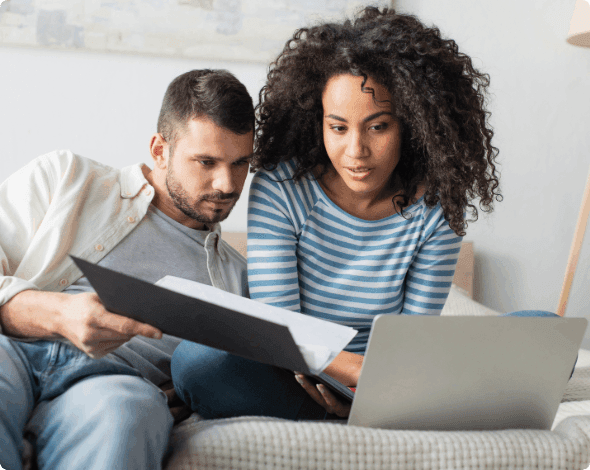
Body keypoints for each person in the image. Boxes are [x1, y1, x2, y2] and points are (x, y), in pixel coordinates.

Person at [170, 6, 505, 420]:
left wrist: (380, 389)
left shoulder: (437, 207)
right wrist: (355, 375)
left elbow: (410, 341)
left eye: (378, 126)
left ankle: (368, 413)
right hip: (297, 373)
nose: (356, 152)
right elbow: (281, 330)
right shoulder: (282, 187)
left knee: (539, 332)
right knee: (198, 361)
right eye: (339, 127)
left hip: (390, 377)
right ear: (318, 124)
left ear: (413, 126)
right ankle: (364, 412)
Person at [0, 69, 254, 469]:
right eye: (206, 162)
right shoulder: (65, 178)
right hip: (9, 347)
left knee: (129, 414)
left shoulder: (239, 280)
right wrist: (57, 314)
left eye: (241, 164)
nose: (226, 184)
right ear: (159, 150)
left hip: (108, 383)